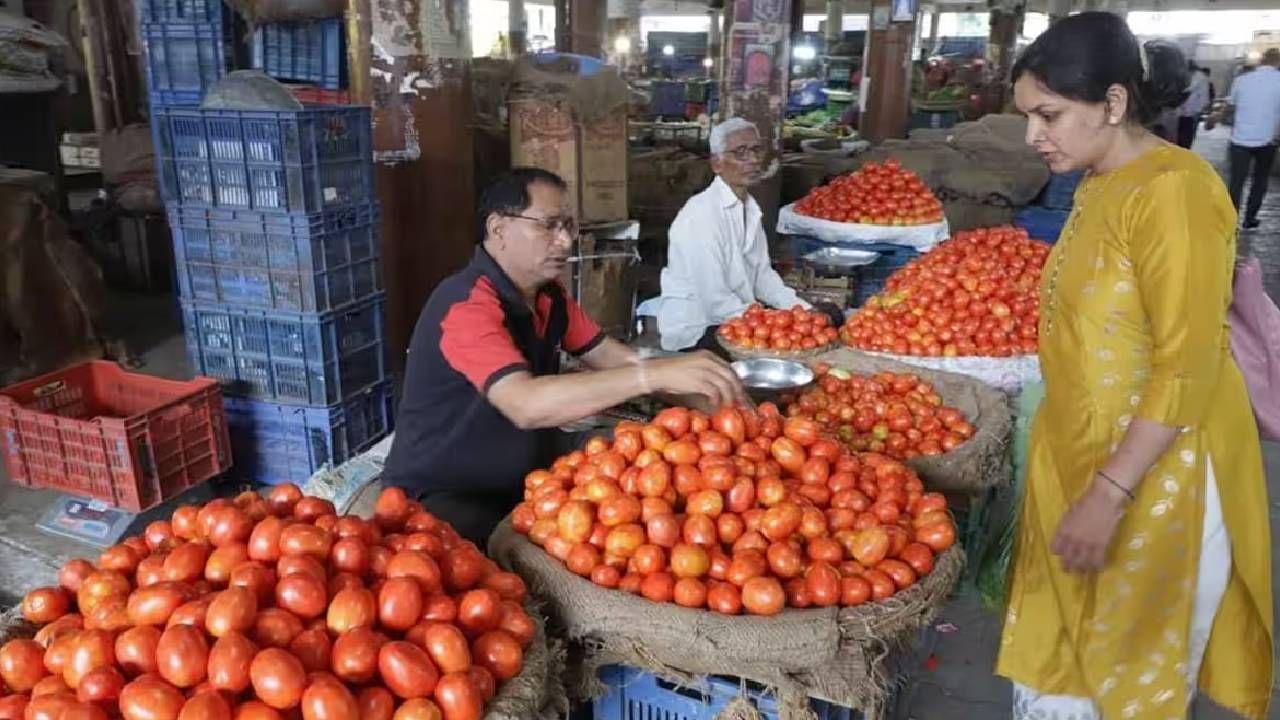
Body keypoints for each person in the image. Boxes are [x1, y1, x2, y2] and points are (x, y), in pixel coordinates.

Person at [1004, 12, 1272, 720]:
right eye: (1030, 115)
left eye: (1049, 114)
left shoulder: (1176, 192)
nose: (1034, 134)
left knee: (1121, 680)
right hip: (1085, 457)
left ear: (1114, 103)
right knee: (1064, 666)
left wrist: (1109, 492)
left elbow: (1185, 366)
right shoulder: (1100, 180)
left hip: (1158, 479)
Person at [381, 168, 749, 545]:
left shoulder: (549, 297)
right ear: (498, 229)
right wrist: (653, 376)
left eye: (568, 226)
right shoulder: (465, 306)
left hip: (527, 463)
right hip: (451, 490)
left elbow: (612, 358)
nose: (564, 240)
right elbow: (524, 403)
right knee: (520, 561)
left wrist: (714, 402)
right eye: (548, 225)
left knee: (641, 452)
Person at [656, 118, 834, 353]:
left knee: (829, 317)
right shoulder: (700, 216)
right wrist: (773, 323)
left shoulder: (749, 208)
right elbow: (715, 302)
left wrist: (801, 310)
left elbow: (763, 277)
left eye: (756, 150)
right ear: (717, 163)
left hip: (739, 318)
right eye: (740, 152)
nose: (752, 159)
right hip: (698, 330)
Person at [1224, 48, 1280, 228]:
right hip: (1268, 140)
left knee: (1236, 182)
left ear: (1262, 60)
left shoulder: (1241, 80)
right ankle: (1250, 218)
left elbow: (1230, 107)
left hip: (1240, 139)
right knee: (1260, 180)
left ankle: (1230, 220)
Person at [1176, 60, 1210, 148]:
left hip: (1193, 110)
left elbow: (1187, 88)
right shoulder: (1197, 75)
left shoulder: (1199, 76)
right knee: (1184, 131)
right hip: (1189, 110)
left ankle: (1185, 149)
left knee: (1187, 133)